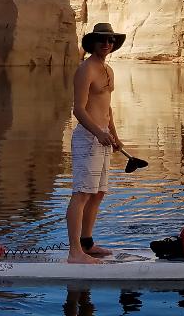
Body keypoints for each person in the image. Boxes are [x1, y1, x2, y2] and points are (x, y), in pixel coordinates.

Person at [67, 22, 127, 264]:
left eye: (110, 40)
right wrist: (98, 133)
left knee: (99, 192)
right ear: (92, 43)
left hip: (102, 136)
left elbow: (107, 107)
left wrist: (113, 134)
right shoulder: (85, 69)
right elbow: (79, 110)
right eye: (102, 39)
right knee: (81, 193)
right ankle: (74, 254)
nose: (106, 43)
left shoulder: (108, 70)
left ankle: (87, 244)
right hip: (87, 137)